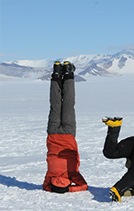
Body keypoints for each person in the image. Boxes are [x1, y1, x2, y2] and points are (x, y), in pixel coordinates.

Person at [42, 61, 88, 193]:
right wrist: (51, 188)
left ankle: (68, 73)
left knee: (68, 103)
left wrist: (69, 189)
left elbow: (84, 186)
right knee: (55, 104)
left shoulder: (72, 174)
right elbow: (45, 186)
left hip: (68, 134)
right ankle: (56, 73)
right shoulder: (50, 175)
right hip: (53, 133)